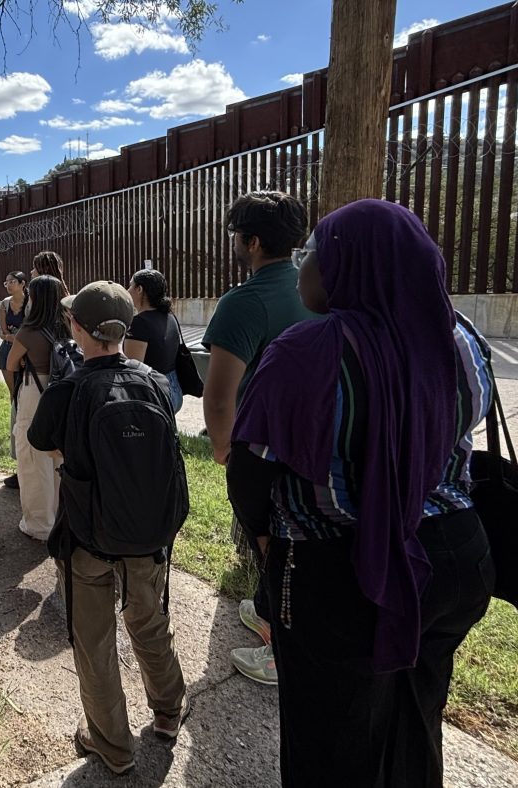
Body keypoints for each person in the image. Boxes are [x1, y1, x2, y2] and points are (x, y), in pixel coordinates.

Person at [227, 199, 496, 788]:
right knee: (416, 717)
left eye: (314, 254)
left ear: (351, 266)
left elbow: (250, 471)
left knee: (330, 739)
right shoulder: (461, 337)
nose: (303, 269)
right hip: (456, 557)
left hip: (346, 570)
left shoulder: (305, 352)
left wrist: (266, 537)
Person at [28, 281, 187, 776]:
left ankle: (113, 748)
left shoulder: (68, 389)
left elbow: (43, 443)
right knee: (148, 621)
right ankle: (167, 713)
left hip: (88, 537)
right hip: (148, 534)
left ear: (76, 328)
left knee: (95, 641)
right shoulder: (154, 381)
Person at [201, 190, 315, 685]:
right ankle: (268, 613)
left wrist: (224, 449)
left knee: (277, 549)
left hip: (263, 448)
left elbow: (220, 394)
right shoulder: (315, 289)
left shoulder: (243, 303)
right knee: (300, 540)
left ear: (251, 241)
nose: (232, 243)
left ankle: (285, 651)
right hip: (315, 443)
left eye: (234, 235)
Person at [5, 275, 67, 540]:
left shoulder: (29, 331)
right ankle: (60, 517)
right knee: (59, 456)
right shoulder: (68, 326)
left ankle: (39, 525)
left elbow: (10, 364)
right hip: (62, 392)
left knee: (33, 458)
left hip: (35, 391)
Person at [124, 268, 183, 413]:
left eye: (131, 285)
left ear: (139, 289)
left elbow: (133, 370)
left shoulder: (139, 323)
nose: (127, 290)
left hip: (154, 393)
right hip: (174, 389)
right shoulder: (170, 316)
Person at [0, 271, 28, 490]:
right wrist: (13, 337)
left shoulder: (30, 302)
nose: (8, 285)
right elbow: (3, 333)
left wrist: (14, 336)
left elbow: (28, 333)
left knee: (24, 395)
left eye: (12, 282)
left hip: (26, 354)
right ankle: (16, 444)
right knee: (14, 397)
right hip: (7, 352)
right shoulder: (5, 304)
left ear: (22, 284)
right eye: (6, 282)